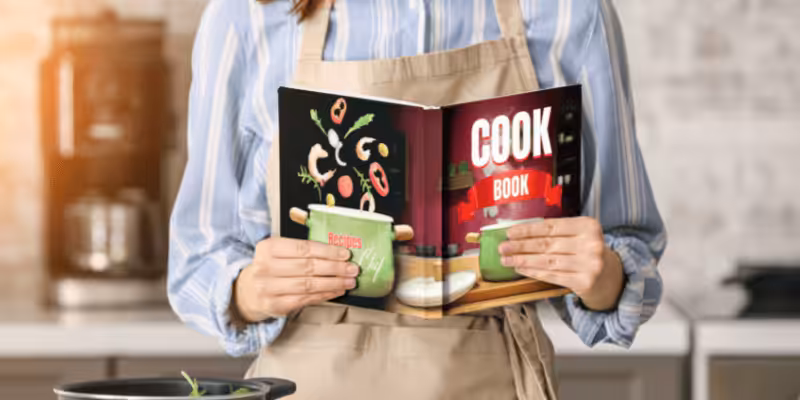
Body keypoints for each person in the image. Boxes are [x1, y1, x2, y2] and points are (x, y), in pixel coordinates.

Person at [168, 0, 666, 399]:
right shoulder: (248, 17)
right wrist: (251, 291)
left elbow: (626, 247)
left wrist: (601, 276)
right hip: (312, 379)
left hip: (492, 377)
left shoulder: (568, 13)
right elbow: (200, 261)